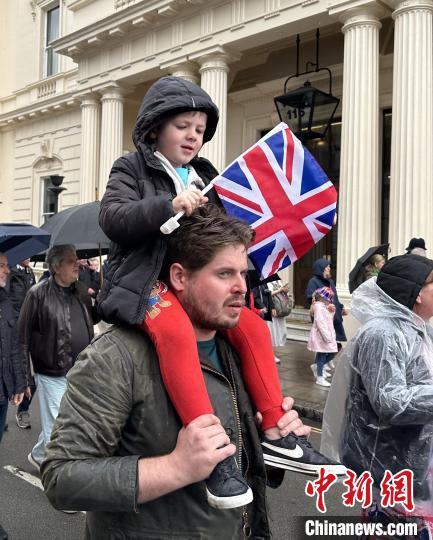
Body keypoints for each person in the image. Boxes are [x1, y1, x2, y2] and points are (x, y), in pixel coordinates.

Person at [97, 77, 343, 509]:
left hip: (195, 282)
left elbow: (230, 234)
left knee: (249, 323)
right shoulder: (131, 168)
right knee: (174, 329)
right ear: (155, 128)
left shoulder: (209, 175)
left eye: (199, 128)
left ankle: (275, 431)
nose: (193, 135)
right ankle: (212, 457)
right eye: (182, 126)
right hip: (146, 284)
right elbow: (114, 219)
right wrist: (169, 206)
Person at [41, 207, 344, 538]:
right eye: (224, 274)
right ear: (179, 277)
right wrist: (175, 468)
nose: (241, 287)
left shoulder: (236, 350)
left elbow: (242, 462)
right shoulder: (115, 357)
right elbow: (62, 478)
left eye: (243, 274)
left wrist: (267, 440)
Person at [321, 254, 433, 534]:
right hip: (393, 474)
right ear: (417, 292)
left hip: (415, 470)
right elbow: (390, 401)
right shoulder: (383, 334)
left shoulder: (419, 330)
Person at [18, 244, 97, 471]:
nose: (78, 265)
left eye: (77, 261)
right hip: (51, 372)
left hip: (79, 370)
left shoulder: (80, 290)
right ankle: (60, 479)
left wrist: (103, 297)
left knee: (66, 421)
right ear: (56, 266)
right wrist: (24, 377)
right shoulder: (37, 294)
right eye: (72, 261)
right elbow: (22, 338)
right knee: (58, 428)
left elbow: (92, 319)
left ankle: (40, 453)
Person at [7, 258, 37, 430]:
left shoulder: (29, 273)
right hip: (13, 332)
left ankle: (22, 410)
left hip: (31, 330)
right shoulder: (9, 273)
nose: (31, 258)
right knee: (9, 374)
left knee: (34, 378)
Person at [0, 252, 26, 442]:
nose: (7, 271)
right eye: (2, 265)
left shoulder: (5, 302)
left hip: (3, 388)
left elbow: (14, 346)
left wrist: (19, 383)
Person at [305, 258, 347, 345]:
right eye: (327, 267)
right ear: (321, 268)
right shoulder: (313, 282)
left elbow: (335, 298)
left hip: (334, 317)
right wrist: (326, 305)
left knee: (335, 346)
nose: (329, 268)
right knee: (325, 347)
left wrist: (341, 307)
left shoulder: (330, 281)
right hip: (323, 318)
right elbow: (311, 298)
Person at [307, 287, 337, 388]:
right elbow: (320, 322)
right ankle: (319, 377)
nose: (329, 300)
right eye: (328, 298)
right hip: (322, 335)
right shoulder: (319, 306)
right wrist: (327, 336)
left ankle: (317, 367)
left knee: (329, 353)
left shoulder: (323, 306)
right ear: (323, 298)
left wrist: (331, 311)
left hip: (326, 334)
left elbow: (329, 319)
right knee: (322, 354)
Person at [266, 280, 293, 364]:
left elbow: (281, 293)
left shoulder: (277, 280)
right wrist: (280, 290)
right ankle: (271, 355)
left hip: (280, 310)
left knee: (281, 332)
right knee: (272, 334)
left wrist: (285, 290)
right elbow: (267, 294)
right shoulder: (265, 281)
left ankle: (271, 354)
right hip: (273, 310)